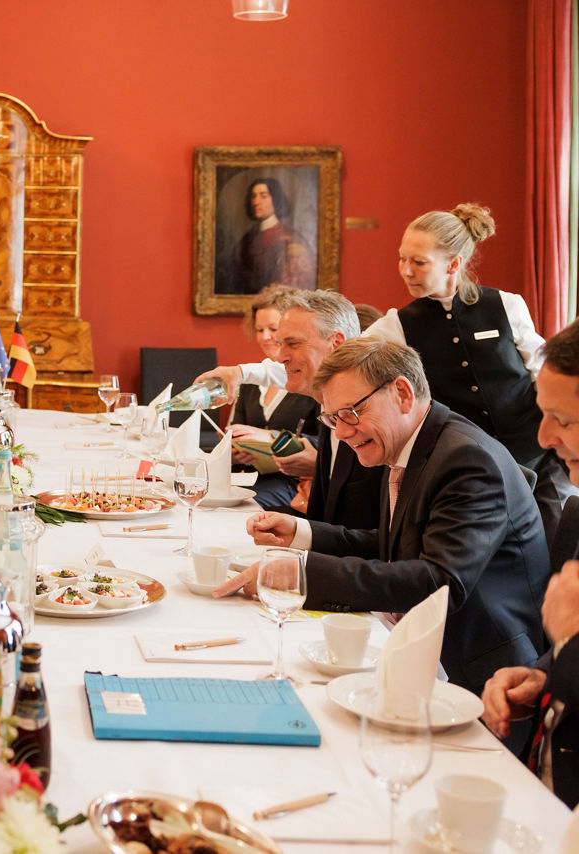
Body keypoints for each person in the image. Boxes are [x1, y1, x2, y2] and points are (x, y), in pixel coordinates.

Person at [218, 337, 549, 696]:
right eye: (333, 419)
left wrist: (300, 575)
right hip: (413, 646)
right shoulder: (412, 444)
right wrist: (303, 533)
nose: (342, 433)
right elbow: (397, 545)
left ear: (403, 394)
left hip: (476, 675)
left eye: (350, 414)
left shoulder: (466, 460)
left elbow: (439, 582)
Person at [366, 203, 573, 542]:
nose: (406, 270)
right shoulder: (396, 325)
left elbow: (544, 370)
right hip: (470, 466)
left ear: (454, 264)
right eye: (401, 259)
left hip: (538, 454)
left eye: (418, 262)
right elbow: (337, 357)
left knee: (551, 542)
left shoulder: (506, 304)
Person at [482, 319, 579, 807]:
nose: (543, 438)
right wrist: (544, 676)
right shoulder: (578, 513)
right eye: (543, 416)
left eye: (564, 421)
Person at [199, 289, 382, 530]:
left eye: (293, 343)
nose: (281, 357)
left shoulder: (367, 419)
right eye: (279, 344)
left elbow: (369, 535)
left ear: (336, 344)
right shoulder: (329, 408)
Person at [226, 285, 320, 511]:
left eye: (273, 329)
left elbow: (323, 443)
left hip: (290, 482)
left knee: (236, 509)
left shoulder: (310, 382)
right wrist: (234, 455)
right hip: (245, 476)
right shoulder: (251, 379)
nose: (266, 337)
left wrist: (269, 436)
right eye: (259, 330)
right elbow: (233, 430)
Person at [219, 177, 314, 295]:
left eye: (263, 196)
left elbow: (299, 281)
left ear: (276, 199)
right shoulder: (247, 238)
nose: (255, 202)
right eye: (253, 196)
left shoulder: (290, 237)